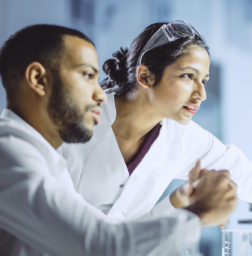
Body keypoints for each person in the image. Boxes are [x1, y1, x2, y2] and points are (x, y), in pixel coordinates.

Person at [0, 24, 237, 256]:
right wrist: (199, 213)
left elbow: (110, 233)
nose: (100, 93)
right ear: (38, 79)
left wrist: (178, 203)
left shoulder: (44, 159)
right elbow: (101, 246)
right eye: (86, 75)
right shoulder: (8, 154)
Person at [59, 20, 252, 222]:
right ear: (145, 76)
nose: (200, 94)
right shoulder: (72, 121)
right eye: (188, 76)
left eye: (204, 80)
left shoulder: (182, 137)